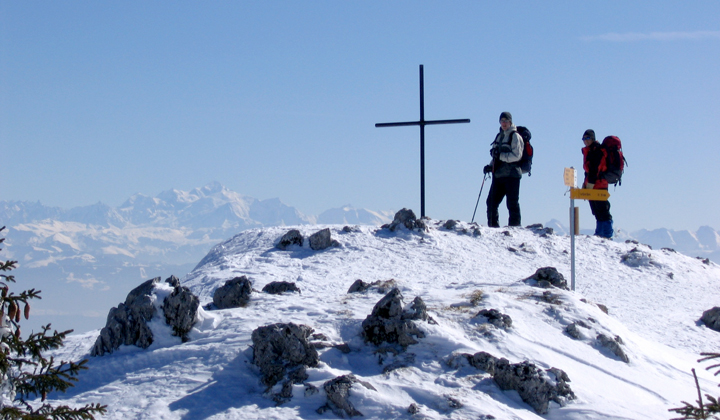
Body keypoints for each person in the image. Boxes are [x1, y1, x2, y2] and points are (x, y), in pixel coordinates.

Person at [483, 112, 524, 227]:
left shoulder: (515, 136)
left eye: (506, 121)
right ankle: (493, 228)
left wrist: (501, 156)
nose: (504, 123)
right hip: (499, 175)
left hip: (512, 175)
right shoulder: (499, 136)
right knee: (491, 203)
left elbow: (517, 156)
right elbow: (496, 155)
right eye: (502, 121)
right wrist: (490, 166)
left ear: (510, 122)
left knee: (512, 203)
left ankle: (514, 228)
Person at [581, 129, 613, 238]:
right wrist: (585, 184)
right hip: (594, 185)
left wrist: (589, 184)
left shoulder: (596, 151)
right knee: (597, 211)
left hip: (599, 185)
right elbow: (588, 171)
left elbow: (595, 169)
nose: (585, 141)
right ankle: (600, 233)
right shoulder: (589, 151)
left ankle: (607, 234)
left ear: (593, 138)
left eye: (587, 138)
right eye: (584, 139)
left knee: (602, 210)